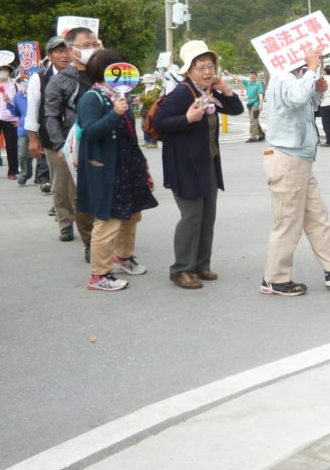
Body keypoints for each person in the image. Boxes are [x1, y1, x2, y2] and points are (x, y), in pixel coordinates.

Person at [260, 47, 330, 296]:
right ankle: (274, 278)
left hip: (299, 158)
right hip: (287, 158)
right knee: (288, 221)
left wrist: (316, 90)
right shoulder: (282, 77)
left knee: (317, 216)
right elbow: (296, 98)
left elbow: (305, 105)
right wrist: (311, 69)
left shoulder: (293, 78)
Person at [152, 41, 245, 289]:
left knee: (207, 214)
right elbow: (160, 122)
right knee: (192, 215)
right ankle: (181, 269)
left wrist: (225, 89)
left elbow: (236, 109)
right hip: (184, 165)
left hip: (208, 163)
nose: (207, 72)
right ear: (189, 71)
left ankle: (201, 264)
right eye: (201, 67)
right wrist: (187, 118)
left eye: (210, 66)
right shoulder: (182, 93)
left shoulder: (208, 92)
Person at [76, 49, 158, 291]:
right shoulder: (92, 98)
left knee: (131, 214)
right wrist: (114, 114)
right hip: (105, 167)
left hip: (127, 163)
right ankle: (99, 274)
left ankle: (123, 257)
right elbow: (91, 131)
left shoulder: (118, 95)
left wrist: (140, 160)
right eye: (118, 67)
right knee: (108, 219)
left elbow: (129, 133)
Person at [44, 27, 103, 257]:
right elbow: (51, 116)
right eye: (85, 46)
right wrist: (61, 146)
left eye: (94, 44)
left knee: (106, 193)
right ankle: (91, 244)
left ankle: (111, 241)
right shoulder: (60, 80)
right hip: (76, 145)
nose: (91, 50)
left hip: (104, 141)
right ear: (72, 50)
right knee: (81, 196)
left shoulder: (105, 74)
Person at [26, 36, 71, 211]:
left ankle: (80, 219)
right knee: (59, 183)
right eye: (59, 51)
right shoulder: (39, 79)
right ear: (49, 56)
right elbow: (33, 111)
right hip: (52, 138)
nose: (64, 56)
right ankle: (64, 220)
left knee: (78, 182)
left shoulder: (81, 76)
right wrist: (33, 139)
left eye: (67, 51)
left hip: (78, 136)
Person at [244, 69, 266, 142]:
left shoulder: (258, 84)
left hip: (256, 104)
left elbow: (260, 94)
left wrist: (261, 104)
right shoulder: (248, 83)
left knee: (253, 120)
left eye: (253, 75)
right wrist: (229, 73)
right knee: (255, 120)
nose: (252, 76)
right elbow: (239, 78)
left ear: (256, 76)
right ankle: (261, 135)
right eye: (250, 75)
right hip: (250, 104)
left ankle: (253, 137)